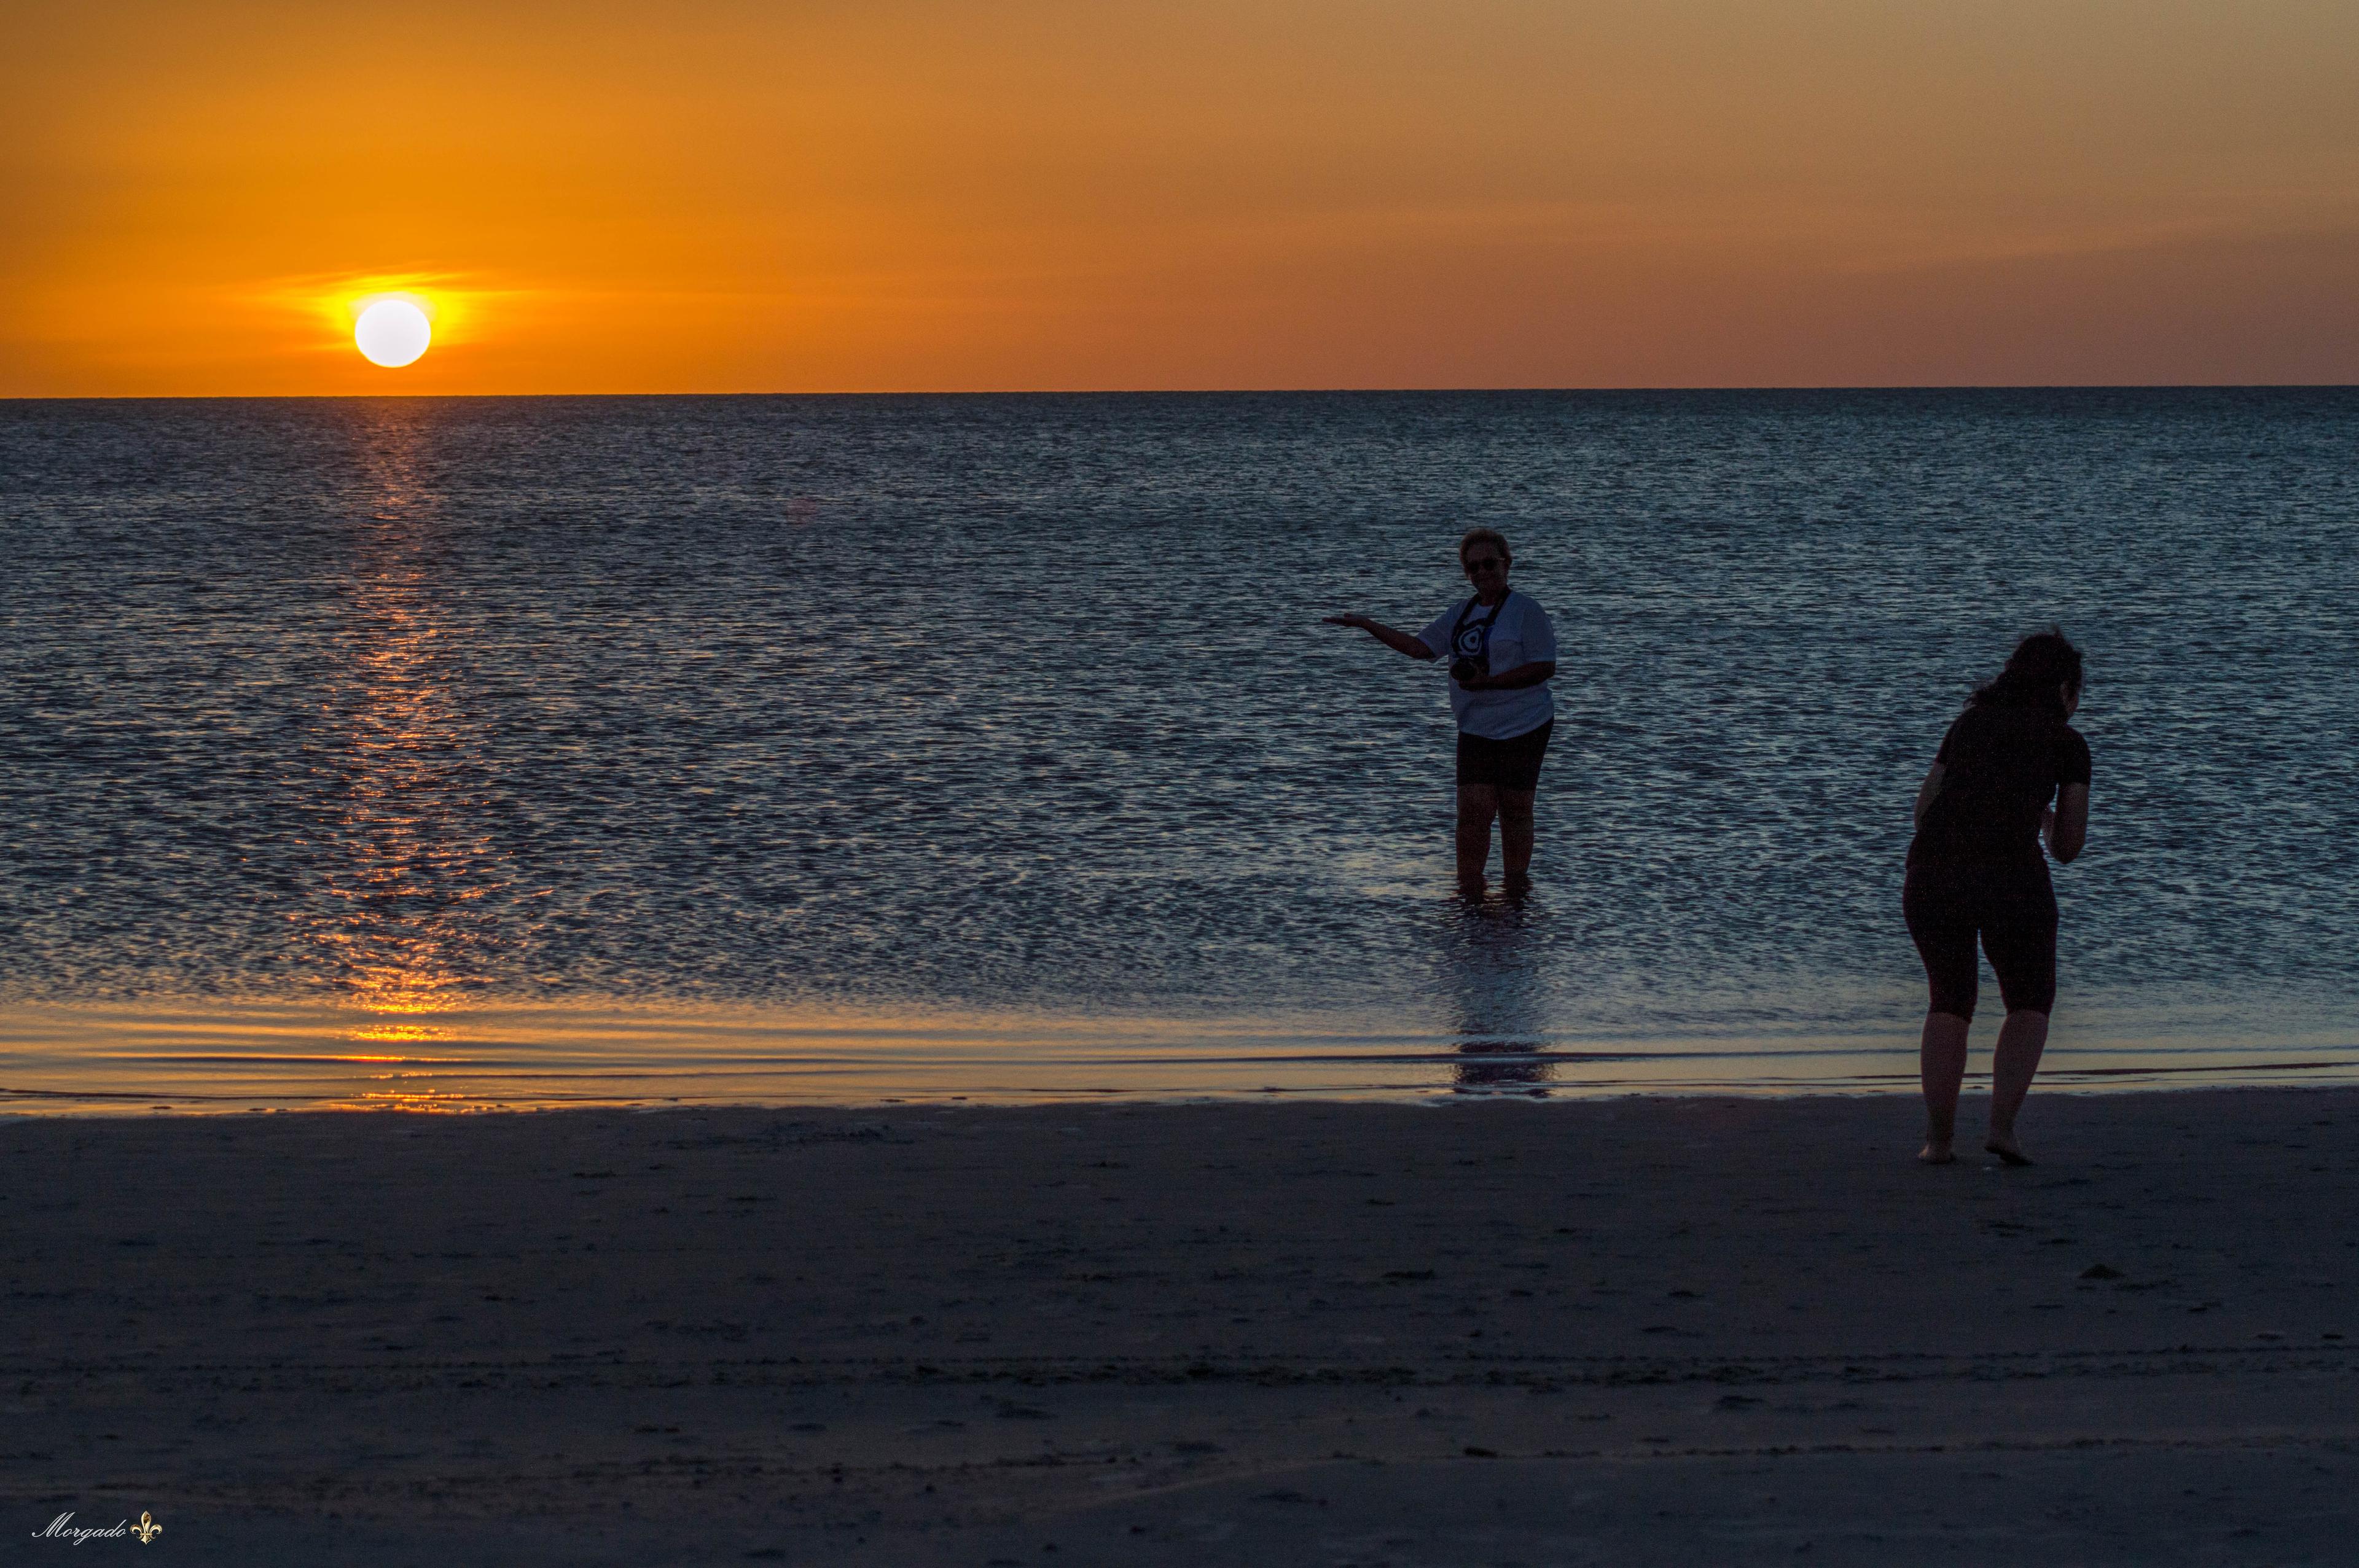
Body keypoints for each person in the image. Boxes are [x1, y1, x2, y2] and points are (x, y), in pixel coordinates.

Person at [1903, 631, 2091, 1166]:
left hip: (1932, 871)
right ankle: (2002, 1129)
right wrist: (2042, 814)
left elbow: (1923, 813)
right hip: (2010, 875)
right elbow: (2069, 847)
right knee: (2030, 1000)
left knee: (1949, 1000)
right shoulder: (2066, 743)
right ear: (2064, 690)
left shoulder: (1968, 726)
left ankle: (1938, 1142)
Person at [1325, 528, 1559, 896]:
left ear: (1507, 563)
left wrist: (1489, 683)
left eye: (1488, 564)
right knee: (1473, 812)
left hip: (1526, 724)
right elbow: (1420, 649)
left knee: (1515, 808)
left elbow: (1545, 667)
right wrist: (1369, 626)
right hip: (1475, 726)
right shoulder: (1460, 613)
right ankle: (1469, 892)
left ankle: (1516, 892)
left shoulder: (1527, 611)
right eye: (1472, 568)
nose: (1481, 573)